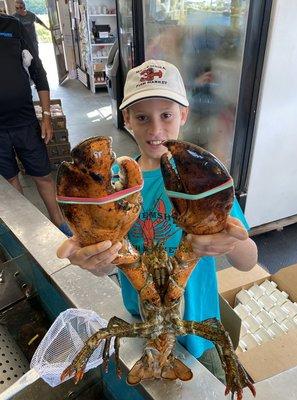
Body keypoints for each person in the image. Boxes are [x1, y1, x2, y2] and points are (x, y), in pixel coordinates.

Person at [57, 59, 258, 382]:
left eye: (166, 114)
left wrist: (232, 241)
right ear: (127, 120)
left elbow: (249, 262)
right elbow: (109, 265)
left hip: (199, 328)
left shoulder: (204, 186)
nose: (155, 130)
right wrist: (98, 261)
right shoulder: (111, 192)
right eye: (142, 117)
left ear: (184, 114)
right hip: (140, 320)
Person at [0, 13, 72, 237]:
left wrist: (47, 116)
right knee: (10, 180)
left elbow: (37, 72)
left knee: (42, 174)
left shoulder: (12, 26)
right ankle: (28, 229)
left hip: (25, 122)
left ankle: (58, 220)